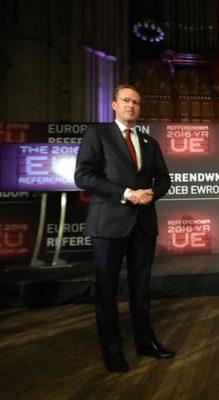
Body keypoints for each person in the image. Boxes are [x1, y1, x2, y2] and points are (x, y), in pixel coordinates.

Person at [74, 84, 175, 373]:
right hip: (109, 224)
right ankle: (112, 351)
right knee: (106, 290)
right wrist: (128, 193)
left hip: (143, 224)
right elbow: (83, 175)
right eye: (126, 100)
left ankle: (146, 342)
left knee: (141, 289)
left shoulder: (150, 143)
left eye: (136, 102)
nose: (132, 105)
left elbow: (164, 179)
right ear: (114, 105)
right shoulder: (98, 134)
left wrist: (152, 194)